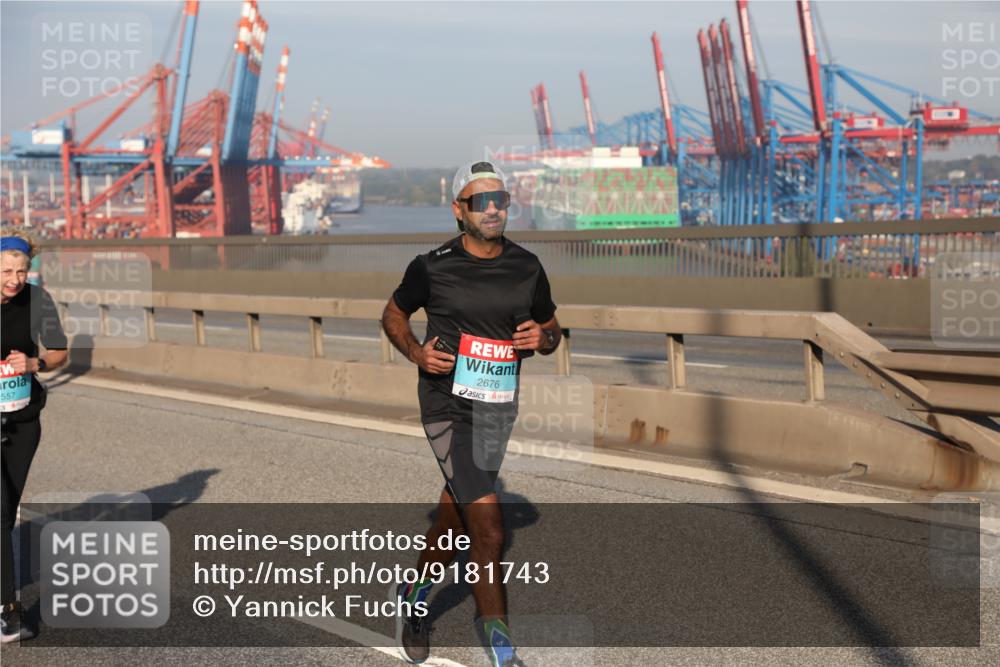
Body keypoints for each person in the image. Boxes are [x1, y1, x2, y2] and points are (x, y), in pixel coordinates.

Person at [381, 161, 562, 667]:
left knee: (455, 513)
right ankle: (504, 653)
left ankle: (414, 596)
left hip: (497, 408)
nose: (493, 208)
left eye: (500, 199)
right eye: (481, 201)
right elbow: (393, 314)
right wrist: (417, 353)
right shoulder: (431, 266)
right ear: (459, 209)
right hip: (446, 405)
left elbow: (552, 331)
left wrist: (542, 339)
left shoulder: (527, 266)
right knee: (488, 527)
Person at [1, 232, 68, 643]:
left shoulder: (37, 300)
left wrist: (34, 361)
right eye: (6, 271)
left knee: (7, 514)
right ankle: (7, 609)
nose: (14, 279)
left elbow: (60, 353)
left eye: (21, 271)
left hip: (24, 419)